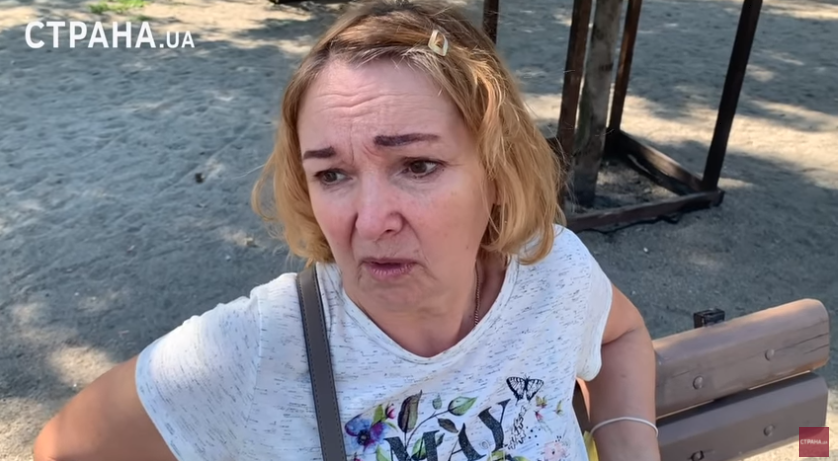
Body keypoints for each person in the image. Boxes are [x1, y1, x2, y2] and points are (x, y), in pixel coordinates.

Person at [33, 0, 659, 460]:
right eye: (332, 174)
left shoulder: (552, 274)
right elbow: (63, 449)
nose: (370, 220)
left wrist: (628, 445)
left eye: (417, 165)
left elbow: (621, 334)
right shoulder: (254, 348)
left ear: (496, 172)